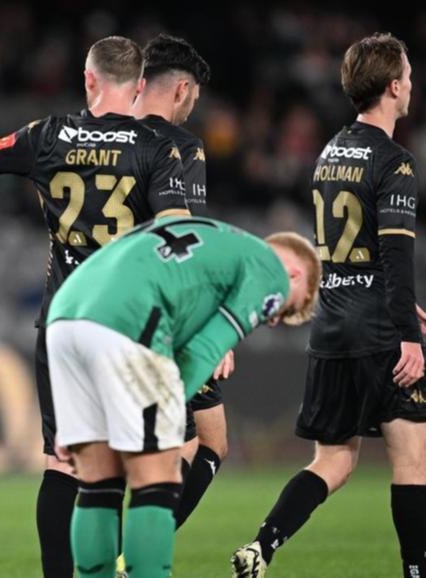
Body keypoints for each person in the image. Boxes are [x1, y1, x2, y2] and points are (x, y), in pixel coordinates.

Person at [0, 36, 190, 578]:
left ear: (89, 79)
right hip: (131, 326)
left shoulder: (48, 134)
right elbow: (176, 235)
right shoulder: (158, 148)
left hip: (65, 320)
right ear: (141, 85)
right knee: (136, 461)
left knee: (62, 462)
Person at [232, 32, 426, 578]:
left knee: (333, 460)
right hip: (379, 330)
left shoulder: (330, 151)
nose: (412, 84)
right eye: (407, 76)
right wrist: (407, 330)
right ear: (392, 87)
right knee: (414, 461)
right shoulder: (396, 162)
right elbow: (394, 254)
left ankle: (262, 546)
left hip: (332, 324)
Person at [47, 217, 320, 578]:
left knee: (99, 482)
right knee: (156, 479)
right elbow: (209, 348)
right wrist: (171, 400)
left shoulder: (216, 236)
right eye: (286, 309)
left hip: (65, 315)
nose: (273, 320)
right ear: (297, 275)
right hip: (129, 321)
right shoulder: (270, 268)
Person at [131, 32, 228, 530]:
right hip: (168, 317)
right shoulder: (181, 147)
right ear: (182, 89)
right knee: (205, 443)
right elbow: (188, 238)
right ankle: (134, 558)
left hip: (103, 309)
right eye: (195, 95)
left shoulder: (110, 133)